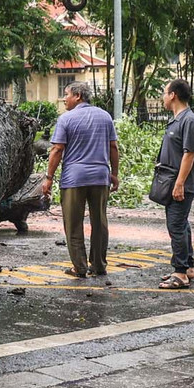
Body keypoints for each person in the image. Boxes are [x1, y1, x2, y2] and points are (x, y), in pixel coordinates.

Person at [41, 81, 119, 276]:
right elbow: (113, 147)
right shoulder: (105, 116)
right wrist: (114, 174)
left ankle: (80, 266)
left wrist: (49, 177)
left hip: (74, 179)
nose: (64, 99)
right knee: (99, 222)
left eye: (66, 94)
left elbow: (57, 149)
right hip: (100, 177)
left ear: (77, 96)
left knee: (73, 223)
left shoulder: (66, 119)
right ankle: (99, 265)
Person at [157, 79, 194, 289]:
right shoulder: (176, 119)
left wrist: (180, 183)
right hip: (172, 181)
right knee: (181, 224)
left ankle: (180, 273)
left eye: (165, 93)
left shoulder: (189, 121)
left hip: (182, 183)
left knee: (175, 225)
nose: (163, 97)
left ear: (173, 95)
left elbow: (189, 154)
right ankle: (188, 267)